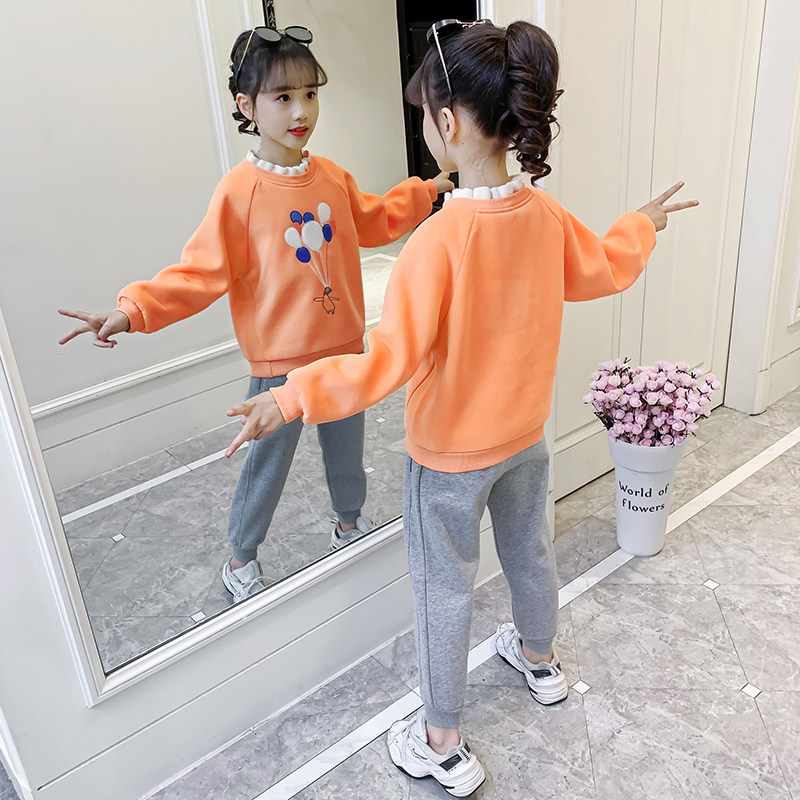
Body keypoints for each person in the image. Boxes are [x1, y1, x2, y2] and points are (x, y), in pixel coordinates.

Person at [222, 18, 698, 796]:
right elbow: (607, 267)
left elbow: (384, 363)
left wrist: (291, 394)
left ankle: (440, 740)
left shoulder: (436, 245)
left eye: (422, 115)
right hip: (525, 441)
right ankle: (539, 660)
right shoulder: (543, 215)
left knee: (443, 589)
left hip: (448, 460)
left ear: (447, 123)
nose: (423, 127)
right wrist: (641, 224)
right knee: (529, 553)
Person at [58, 25, 453, 604]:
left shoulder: (332, 176)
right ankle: (241, 556)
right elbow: (197, 273)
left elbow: (373, 218)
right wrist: (133, 310)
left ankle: (349, 522)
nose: (301, 111)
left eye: (310, 94)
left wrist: (426, 190)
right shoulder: (239, 193)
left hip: (344, 351)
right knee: (266, 467)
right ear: (247, 105)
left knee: (348, 455)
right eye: (283, 97)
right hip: (279, 366)